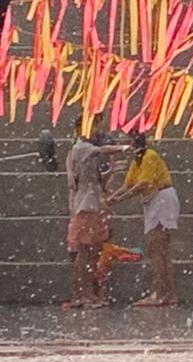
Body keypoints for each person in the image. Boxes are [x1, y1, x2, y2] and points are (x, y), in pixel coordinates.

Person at [106, 130, 180, 307]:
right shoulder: (136, 162)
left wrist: (119, 199)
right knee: (160, 250)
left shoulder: (149, 156)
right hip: (154, 201)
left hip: (161, 199)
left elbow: (142, 185)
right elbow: (128, 185)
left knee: (157, 249)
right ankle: (169, 295)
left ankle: (160, 294)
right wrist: (112, 198)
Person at [65, 118, 126, 309]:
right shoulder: (81, 147)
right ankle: (84, 294)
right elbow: (103, 150)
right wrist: (123, 148)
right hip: (86, 206)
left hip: (92, 204)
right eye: (92, 127)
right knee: (86, 253)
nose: (95, 131)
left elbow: (97, 180)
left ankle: (84, 294)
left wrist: (112, 170)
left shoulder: (84, 149)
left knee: (92, 253)